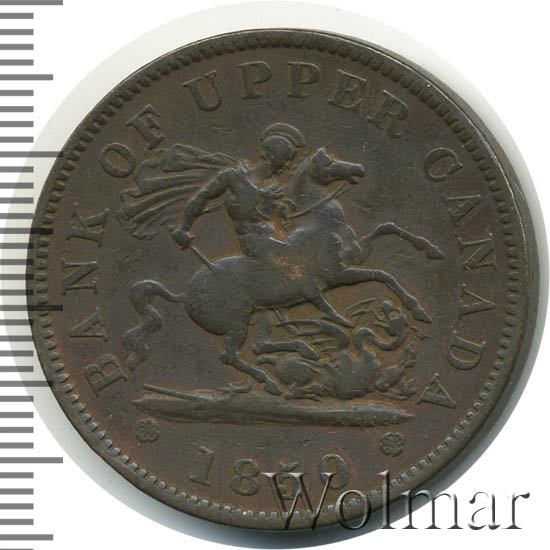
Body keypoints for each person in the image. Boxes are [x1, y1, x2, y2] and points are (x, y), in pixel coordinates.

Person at [171, 123, 305, 260]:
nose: (288, 165)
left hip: (271, 236)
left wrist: (283, 212)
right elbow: (202, 196)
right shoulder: (234, 177)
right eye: (286, 160)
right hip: (254, 243)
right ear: (272, 156)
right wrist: (183, 228)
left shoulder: (276, 187)